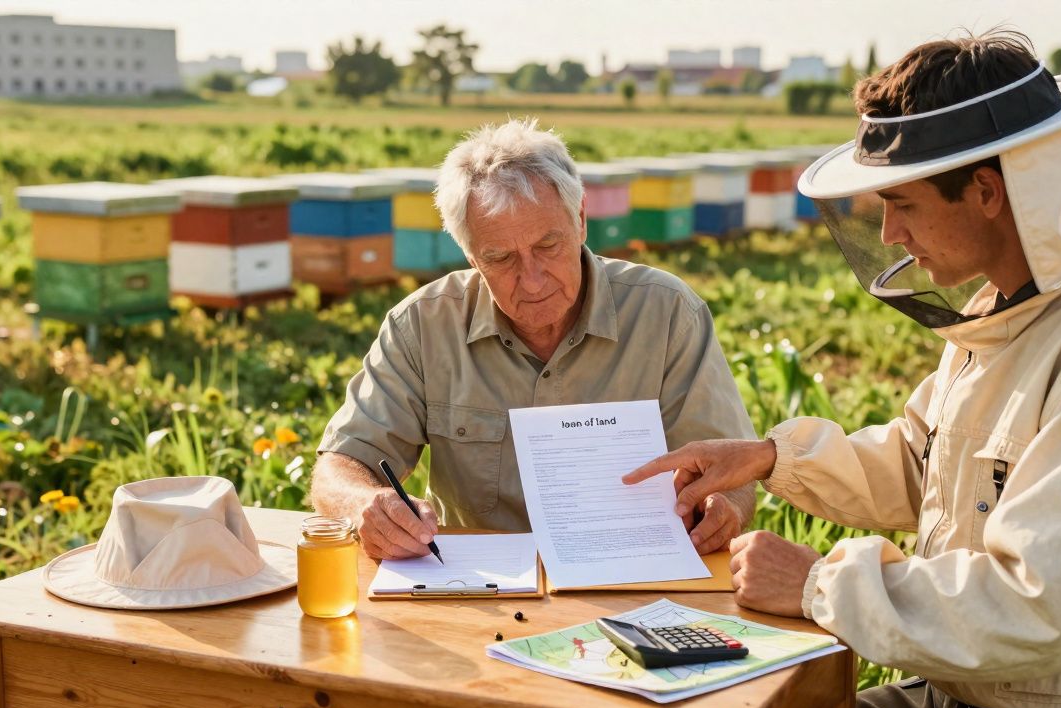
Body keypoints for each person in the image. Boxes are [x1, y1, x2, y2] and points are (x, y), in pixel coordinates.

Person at [624, 32, 1061, 708]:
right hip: (967, 696)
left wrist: (815, 584)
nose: (891, 233)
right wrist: (769, 457)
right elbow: (922, 459)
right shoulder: (1015, 304)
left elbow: (1039, 605)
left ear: (986, 191)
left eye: (905, 204)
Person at [311, 118, 757, 561]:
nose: (532, 279)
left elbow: (732, 475)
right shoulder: (423, 324)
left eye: (548, 246)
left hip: (635, 581)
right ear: (470, 256)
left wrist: (723, 506)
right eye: (501, 258)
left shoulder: (668, 314)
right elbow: (341, 464)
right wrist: (364, 505)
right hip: (479, 589)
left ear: (580, 220)